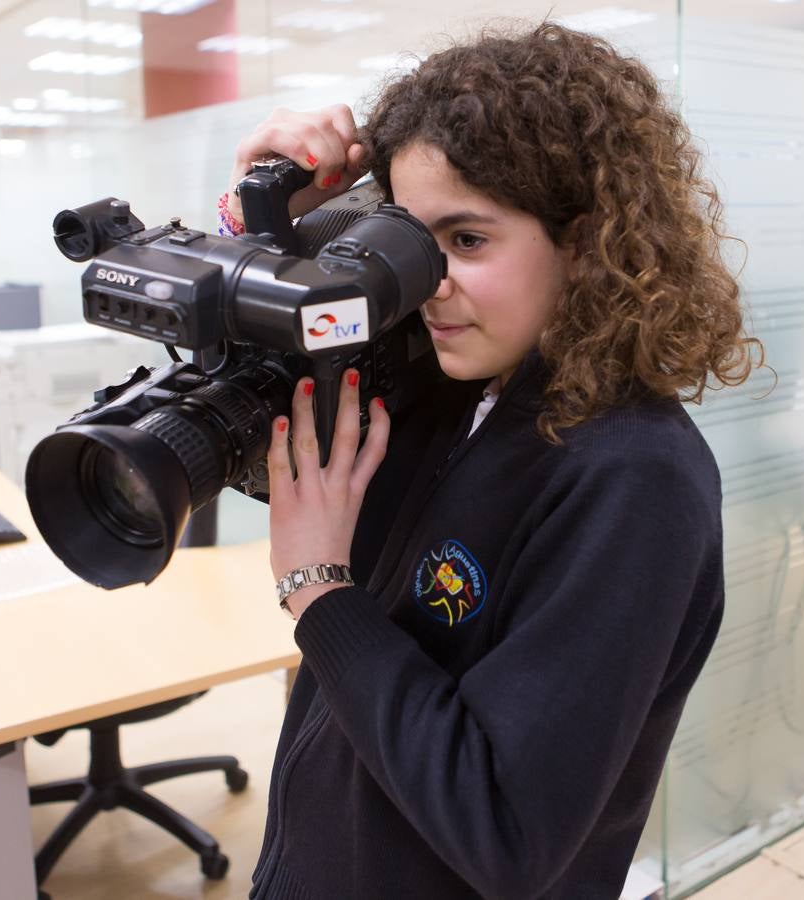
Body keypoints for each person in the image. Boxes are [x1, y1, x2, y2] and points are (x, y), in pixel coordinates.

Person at [218, 21, 763, 900]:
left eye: (467, 242)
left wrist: (318, 591)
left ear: (586, 243)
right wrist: (273, 212)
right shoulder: (448, 385)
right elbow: (256, 373)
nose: (428, 282)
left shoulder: (633, 479)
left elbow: (504, 827)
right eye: (410, 240)